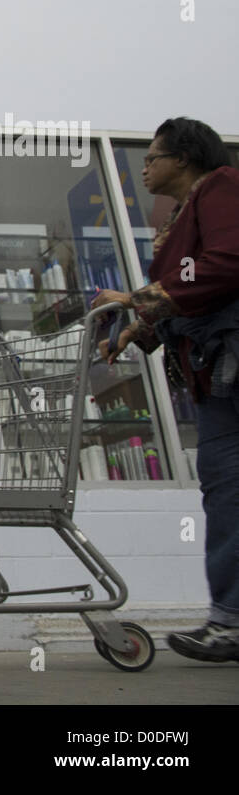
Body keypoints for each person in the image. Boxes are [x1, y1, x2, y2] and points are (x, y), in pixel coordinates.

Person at [94, 116, 239, 662]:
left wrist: (135, 301)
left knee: (227, 485)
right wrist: (136, 331)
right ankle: (229, 619)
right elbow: (188, 295)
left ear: (183, 157)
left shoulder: (221, 187)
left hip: (229, 357)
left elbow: (227, 264)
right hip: (211, 366)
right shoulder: (180, 216)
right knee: (224, 487)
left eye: (153, 157)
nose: (146, 167)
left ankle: (229, 621)